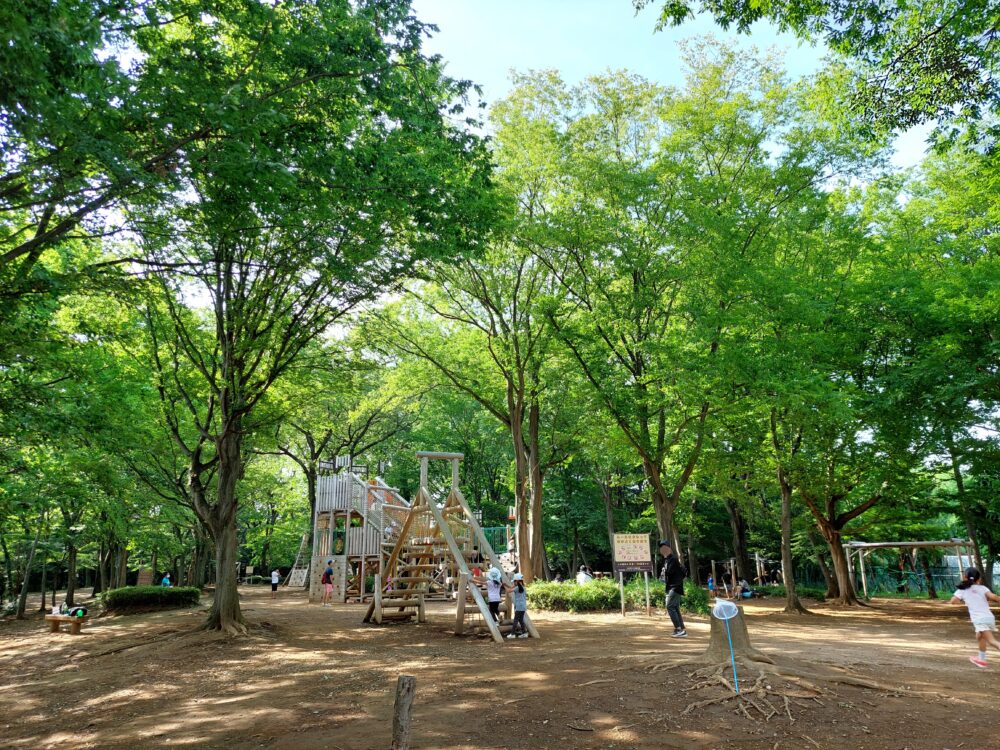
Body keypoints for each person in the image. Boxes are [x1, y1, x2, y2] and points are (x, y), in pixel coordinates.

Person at [950, 567, 1000, 668]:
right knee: (979, 636)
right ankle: (981, 659)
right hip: (989, 617)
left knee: (991, 641)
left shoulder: (962, 590)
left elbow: (953, 601)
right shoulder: (983, 588)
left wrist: (964, 599)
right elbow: (994, 597)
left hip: (979, 619)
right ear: (979, 579)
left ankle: (981, 658)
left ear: (965, 577)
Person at [658, 540, 687, 637]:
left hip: (675, 587)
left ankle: (678, 629)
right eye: (662, 548)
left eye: (665, 547)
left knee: (670, 606)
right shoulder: (667, 560)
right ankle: (681, 629)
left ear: (669, 548)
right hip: (673, 586)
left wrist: (663, 571)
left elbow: (669, 572)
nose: (663, 549)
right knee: (675, 607)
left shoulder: (673, 559)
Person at [507, 573, 529, 639]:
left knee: (516, 620)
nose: (514, 582)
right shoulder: (524, 588)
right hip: (523, 607)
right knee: (521, 620)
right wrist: (514, 585)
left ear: (517, 581)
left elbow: (508, 591)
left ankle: (512, 634)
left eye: (514, 581)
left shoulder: (516, 588)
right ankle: (524, 633)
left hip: (519, 607)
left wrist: (505, 585)